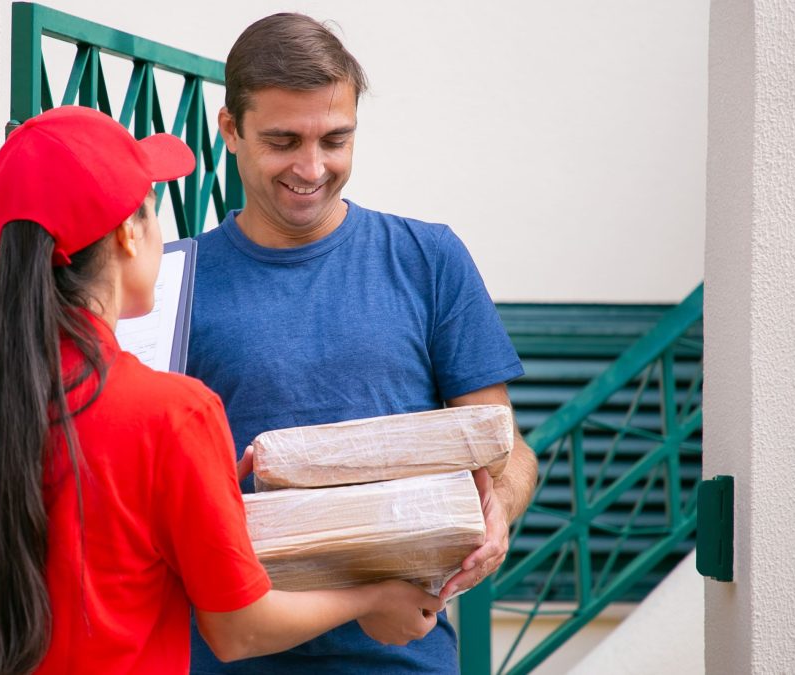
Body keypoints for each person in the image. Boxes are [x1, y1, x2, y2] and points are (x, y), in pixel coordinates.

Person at [0, 105, 444, 675]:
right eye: (153, 207)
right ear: (127, 232)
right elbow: (238, 630)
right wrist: (372, 598)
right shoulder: (174, 414)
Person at [184, 13, 540, 674]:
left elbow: (506, 449)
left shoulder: (428, 258)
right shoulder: (174, 283)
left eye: (336, 139)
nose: (312, 167)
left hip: (401, 654)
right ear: (230, 128)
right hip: (225, 656)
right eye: (283, 140)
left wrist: (498, 514)